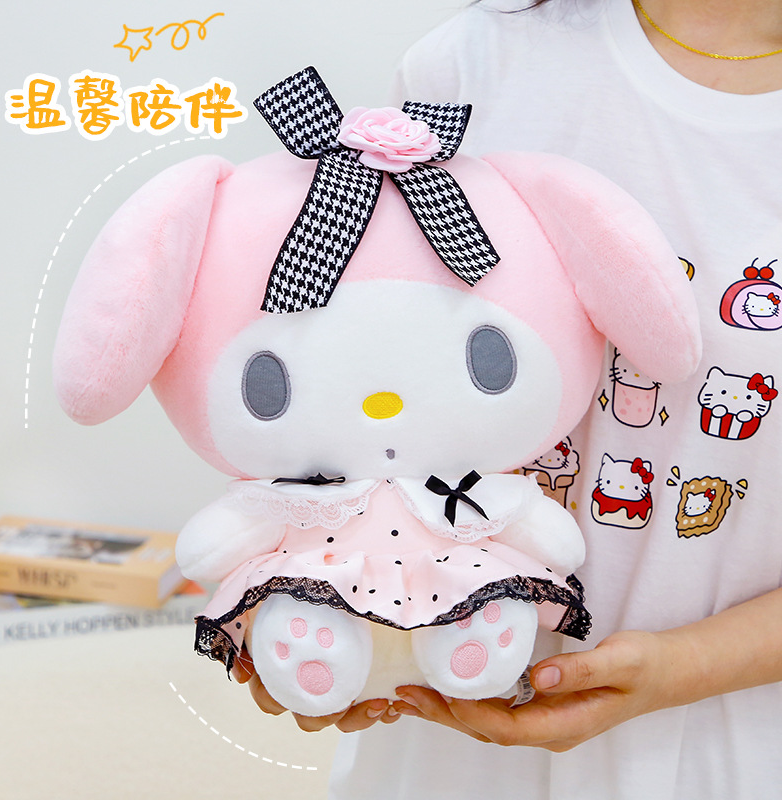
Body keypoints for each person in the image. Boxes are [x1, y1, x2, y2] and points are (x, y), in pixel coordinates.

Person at [318, 1, 782, 798]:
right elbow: (360, 373)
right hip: (451, 708)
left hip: (733, 736)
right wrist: (305, 597)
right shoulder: (474, 65)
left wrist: (684, 665)